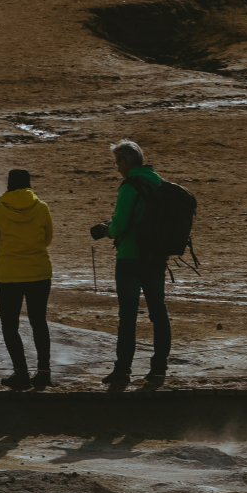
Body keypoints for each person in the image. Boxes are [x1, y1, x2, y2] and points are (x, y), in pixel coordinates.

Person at [87, 141, 171, 386]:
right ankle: (159, 369)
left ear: (125, 161)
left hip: (130, 258)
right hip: (157, 258)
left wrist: (106, 230)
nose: (116, 168)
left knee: (128, 316)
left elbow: (120, 226)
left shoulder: (130, 186)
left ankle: (123, 369)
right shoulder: (159, 182)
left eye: (117, 162)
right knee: (159, 313)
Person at [0, 168, 55, 391]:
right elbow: (47, 239)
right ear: (29, 185)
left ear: (8, 186)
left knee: (10, 326)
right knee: (38, 322)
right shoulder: (42, 208)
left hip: (9, 276)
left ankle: (21, 373)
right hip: (39, 273)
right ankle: (43, 372)